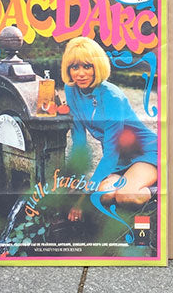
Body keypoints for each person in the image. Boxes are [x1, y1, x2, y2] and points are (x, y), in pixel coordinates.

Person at [60, 36, 158, 221]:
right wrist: (75, 181)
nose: (80, 74)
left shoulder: (113, 97)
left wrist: (82, 199)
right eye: (75, 67)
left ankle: (157, 190)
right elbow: (79, 143)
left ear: (97, 67)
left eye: (87, 66)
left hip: (147, 152)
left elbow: (110, 153)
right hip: (120, 160)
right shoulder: (71, 90)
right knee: (103, 195)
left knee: (126, 196)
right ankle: (130, 182)